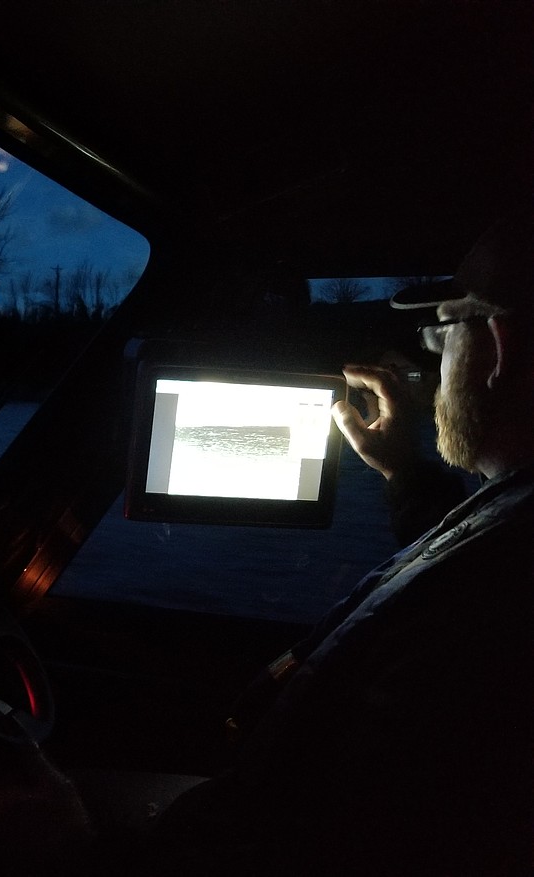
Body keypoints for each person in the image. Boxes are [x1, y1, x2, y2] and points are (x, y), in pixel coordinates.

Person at [132, 205, 534, 875]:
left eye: (440, 336)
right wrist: (405, 469)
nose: (432, 363)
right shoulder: (510, 530)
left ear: (498, 345)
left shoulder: (495, 606)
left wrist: (67, 848)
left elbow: (323, 839)